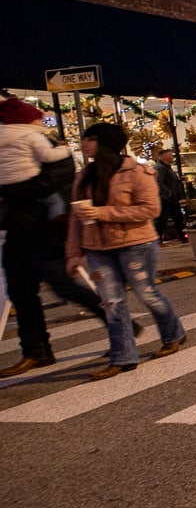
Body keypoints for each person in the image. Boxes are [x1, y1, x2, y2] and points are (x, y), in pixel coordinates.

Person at [66, 122, 186, 381]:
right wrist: (74, 252)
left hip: (136, 245)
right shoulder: (84, 175)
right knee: (111, 302)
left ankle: (173, 333)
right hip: (97, 248)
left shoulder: (136, 172)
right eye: (84, 139)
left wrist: (101, 213)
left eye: (91, 139)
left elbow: (150, 210)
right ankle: (123, 358)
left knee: (147, 294)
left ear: (106, 143)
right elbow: (75, 219)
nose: (85, 143)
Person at [0, 99, 106, 378]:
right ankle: (36, 352)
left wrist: (12, 190)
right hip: (16, 231)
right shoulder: (7, 152)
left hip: (44, 231)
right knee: (20, 293)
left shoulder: (50, 148)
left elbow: (55, 181)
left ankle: (120, 327)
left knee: (64, 286)